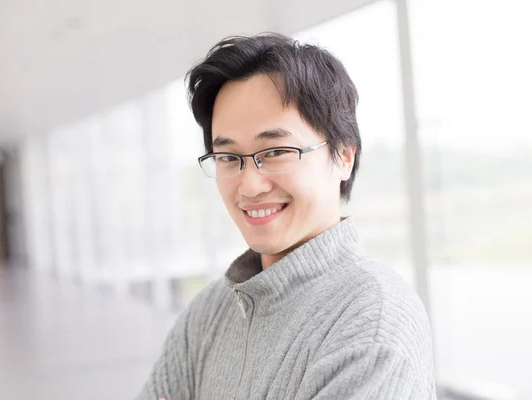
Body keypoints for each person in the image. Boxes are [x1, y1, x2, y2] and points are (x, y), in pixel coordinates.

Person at [136, 33, 436, 400]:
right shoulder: (211, 310)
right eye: (229, 157)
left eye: (275, 151)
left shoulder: (372, 323)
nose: (249, 185)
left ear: (343, 155)